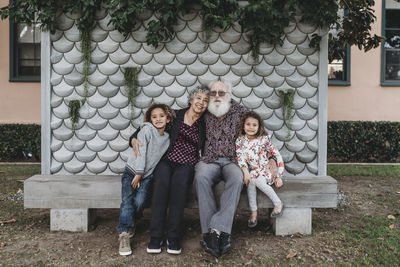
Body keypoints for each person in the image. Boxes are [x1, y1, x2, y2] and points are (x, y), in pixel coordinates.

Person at [194, 81, 279, 258]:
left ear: (229, 95)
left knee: (237, 179)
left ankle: (217, 230)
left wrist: (271, 159)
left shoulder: (242, 112)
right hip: (210, 160)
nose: (217, 96)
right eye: (213, 93)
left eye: (221, 93)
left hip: (235, 161)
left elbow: (261, 135)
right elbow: (182, 119)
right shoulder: (205, 111)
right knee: (200, 176)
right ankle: (213, 234)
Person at [130, 85, 209, 255]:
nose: (201, 103)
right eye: (198, 99)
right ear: (191, 100)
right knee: (161, 187)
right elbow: (145, 127)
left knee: (179, 190)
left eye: (205, 101)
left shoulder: (205, 123)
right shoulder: (176, 115)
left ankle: (173, 237)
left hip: (187, 164)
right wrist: (133, 139)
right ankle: (156, 237)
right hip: (166, 161)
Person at [117, 103, 175, 256]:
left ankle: (130, 221)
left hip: (147, 176)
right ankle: (124, 233)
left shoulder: (168, 139)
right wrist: (138, 173)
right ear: (149, 119)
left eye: (161, 116)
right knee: (127, 202)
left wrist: (143, 175)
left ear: (168, 119)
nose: (158, 119)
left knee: (140, 201)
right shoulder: (146, 130)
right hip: (132, 172)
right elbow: (141, 152)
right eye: (154, 117)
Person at [235, 111, 285, 229]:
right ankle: (254, 212)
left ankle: (278, 203)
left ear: (259, 127)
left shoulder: (264, 140)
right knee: (251, 181)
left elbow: (276, 155)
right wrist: (245, 171)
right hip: (252, 171)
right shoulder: (240, 141)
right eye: (248, 124)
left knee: (257, 181)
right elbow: (240, 157)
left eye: (254, 125)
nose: (251, 127)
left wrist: (278, 175)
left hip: (266, 170)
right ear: (243, 125)